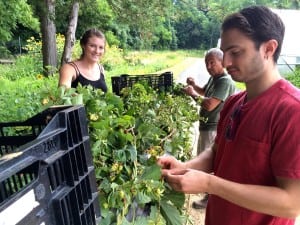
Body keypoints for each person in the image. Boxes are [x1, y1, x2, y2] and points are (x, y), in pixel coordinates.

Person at [158, 5, 300, 225]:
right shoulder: (234, 102)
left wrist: (209, 184)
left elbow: (292, 202)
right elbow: (217, 153)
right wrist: (184, 167)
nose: (226, 62)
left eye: (236, 52)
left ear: (269, 49)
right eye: (224, 52)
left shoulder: (291, 110)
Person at [183, 48, 236, 209]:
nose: (209, 66)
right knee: (203, 158)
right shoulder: (215, 79)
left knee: (210, 163)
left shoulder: (225, 81)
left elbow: (210, 104)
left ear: (222, 62)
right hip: (206, 126)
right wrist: (194, 86)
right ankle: (209, 194)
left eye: (212, 62)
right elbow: (204, 92)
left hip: (214, 127)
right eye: (207, 62)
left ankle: (210, 198)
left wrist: (192, 94)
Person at [59, 28, 108, 92]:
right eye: (92, 46)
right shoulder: (69, 69)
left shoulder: (100, 69)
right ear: (83, 45)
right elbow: (63, 93)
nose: (97, 51)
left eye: (101, 47)